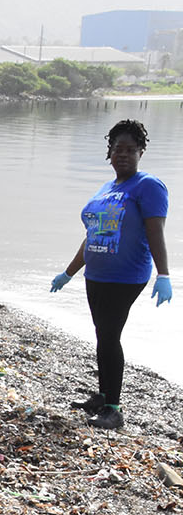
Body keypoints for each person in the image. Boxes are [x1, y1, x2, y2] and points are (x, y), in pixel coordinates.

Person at [50, 118, 171, 429]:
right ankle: (102, 396)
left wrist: (164, 274)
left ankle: (113, 408)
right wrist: (68, 273)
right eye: (118, 149)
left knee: (109, 336)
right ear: (110, 153)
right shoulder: (107, 188)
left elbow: (155, 231)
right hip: (97, 274)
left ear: (141, 152)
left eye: (131, 149)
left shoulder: (148, 186)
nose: (124, 155)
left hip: (126, 276)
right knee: (102, 335)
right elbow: (93, 236)